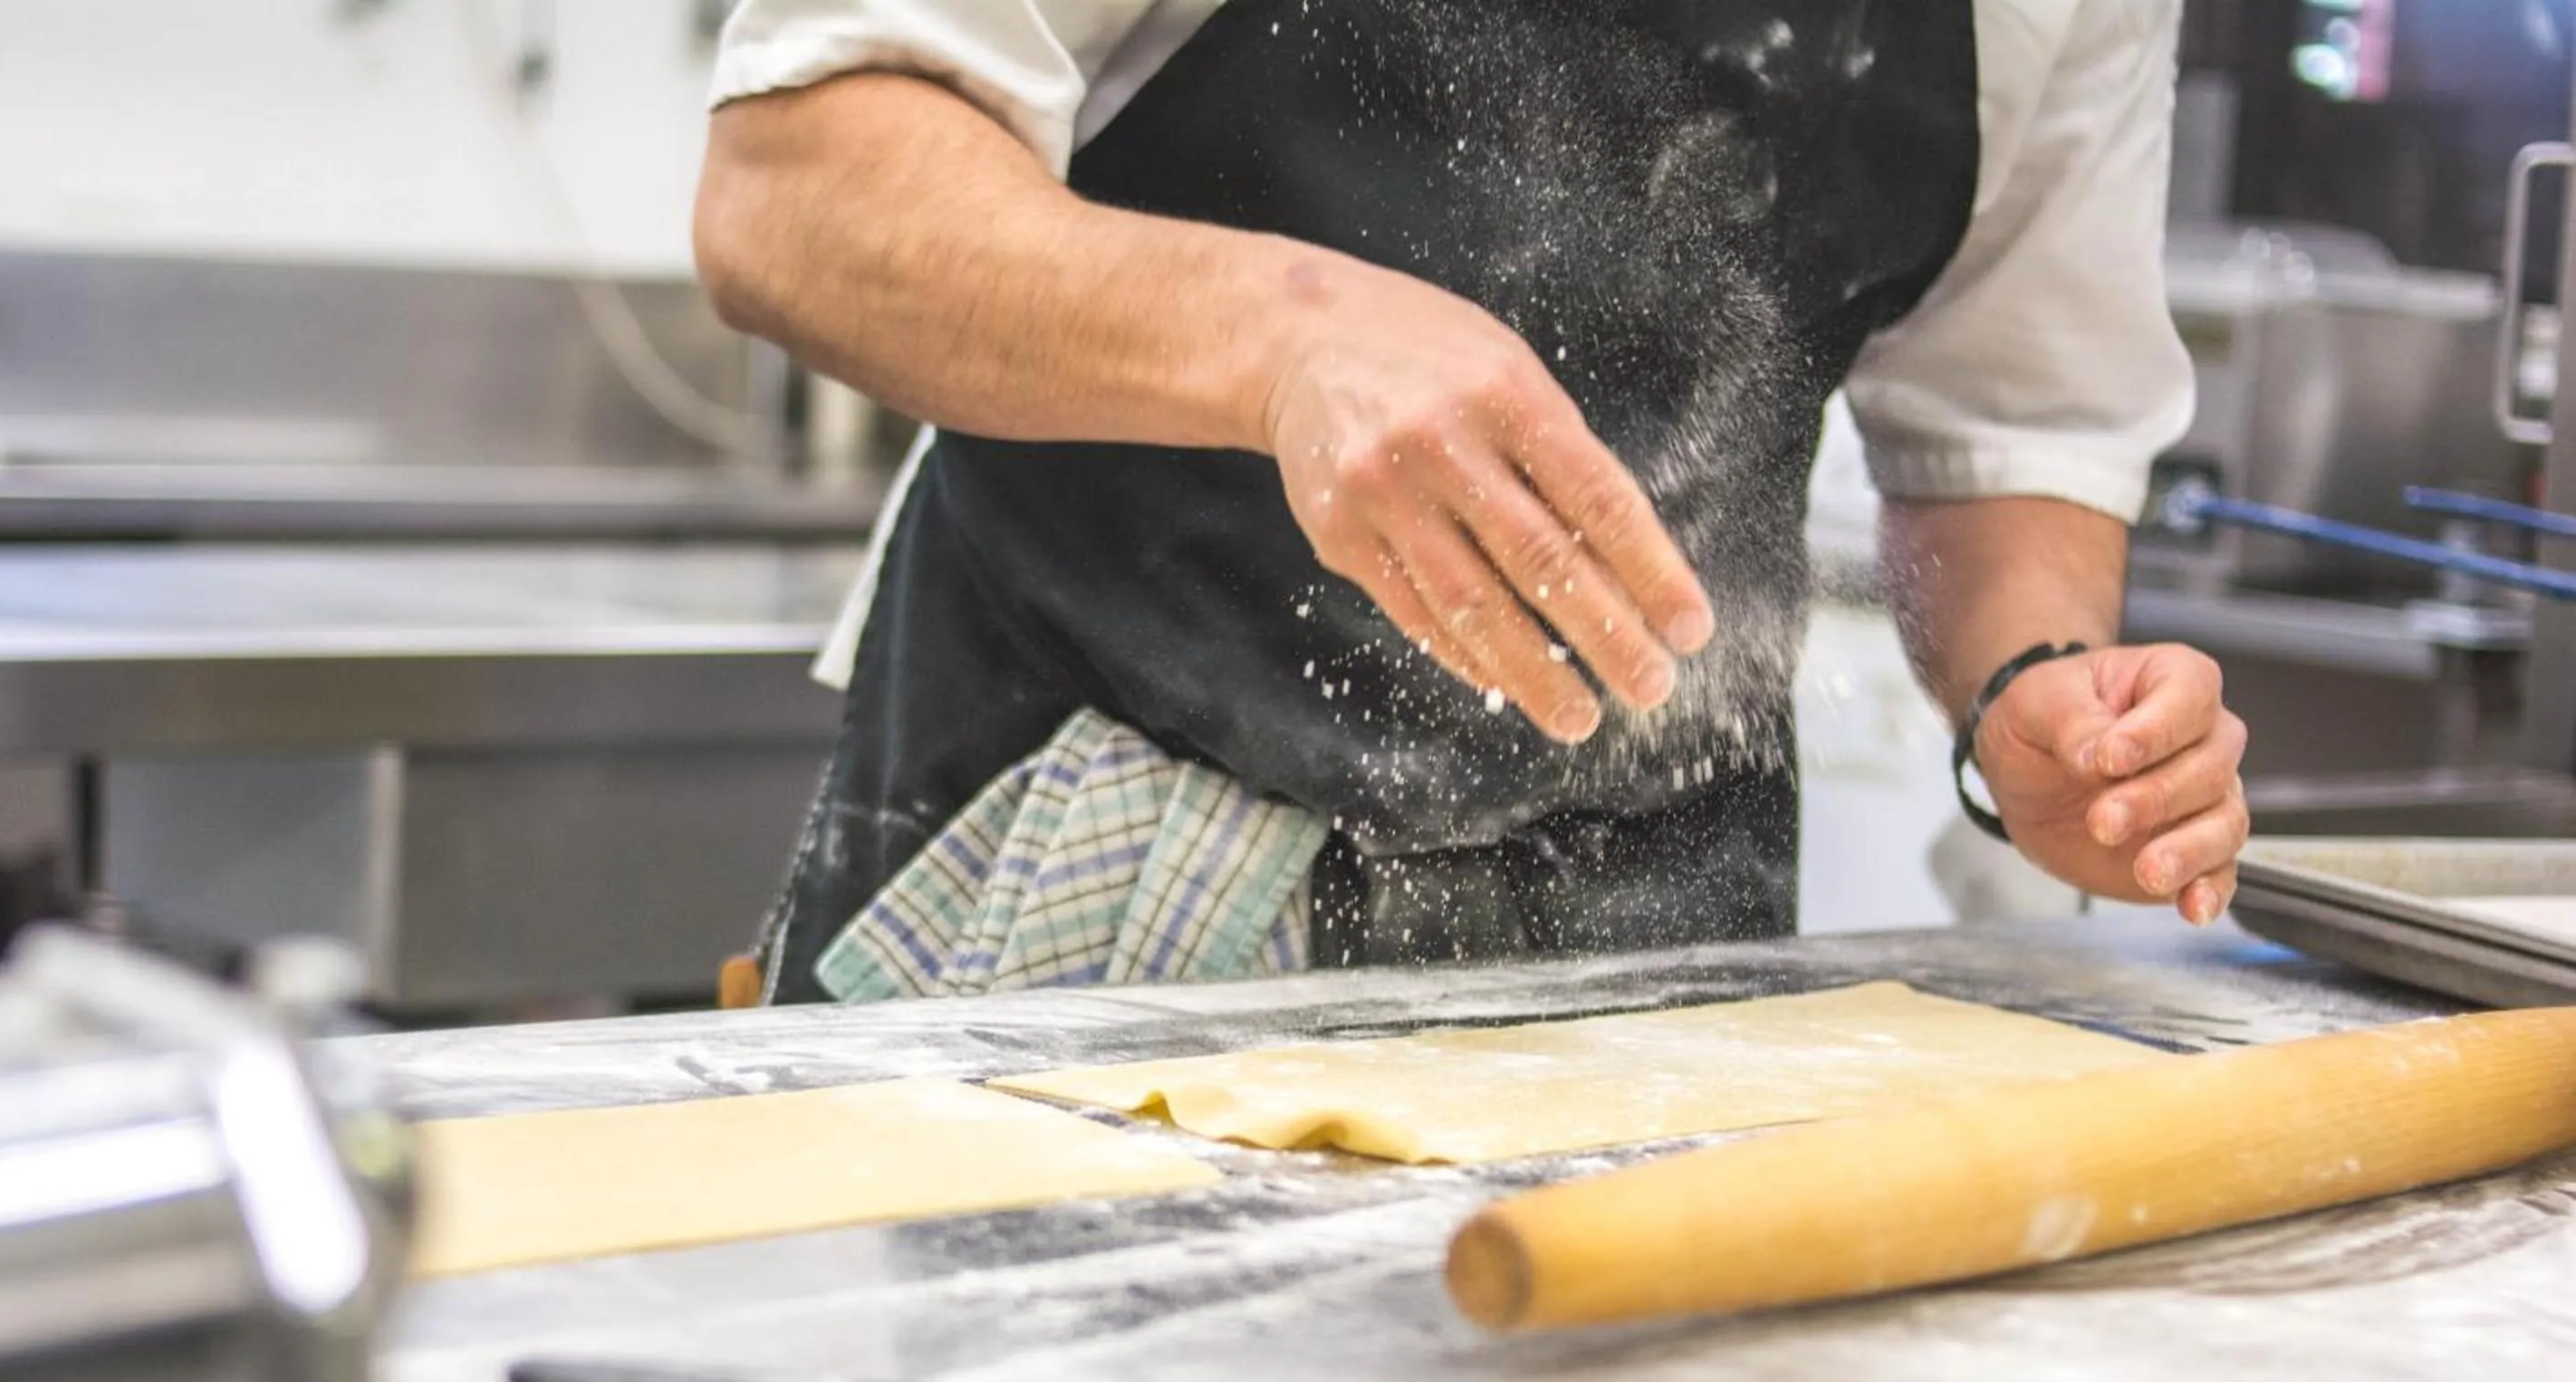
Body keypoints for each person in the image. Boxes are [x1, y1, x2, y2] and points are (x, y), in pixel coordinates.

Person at [695, 0, 2249, 1003]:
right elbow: (799, 193)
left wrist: (2037, 686)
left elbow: (2015, 427)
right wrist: (1280, 339)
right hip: (1093, 894)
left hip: (1662, 972)